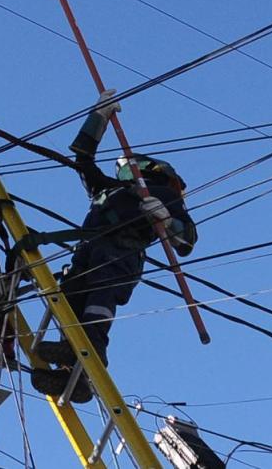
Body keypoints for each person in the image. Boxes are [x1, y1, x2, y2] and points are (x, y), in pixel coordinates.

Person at [30, 90, 197, 403]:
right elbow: (82, 157)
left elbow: (186, 240)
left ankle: (90, 353)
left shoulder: (163, 195)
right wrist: (99, 118)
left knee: (101, 294)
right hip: (87, 251)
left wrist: (165, 219)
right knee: (70, 299)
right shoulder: (108, 190)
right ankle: (72, 372)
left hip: (121, 252)